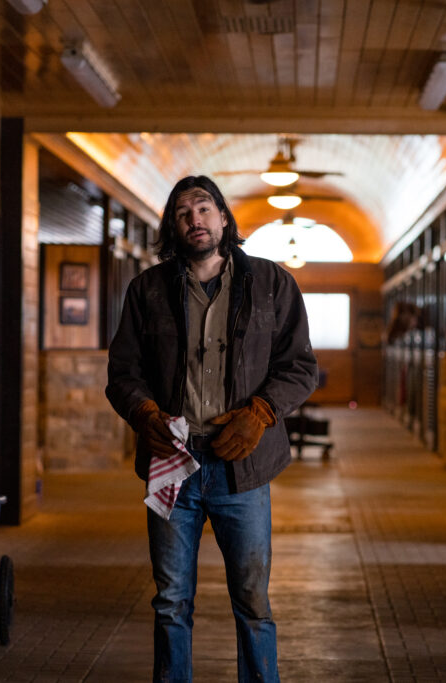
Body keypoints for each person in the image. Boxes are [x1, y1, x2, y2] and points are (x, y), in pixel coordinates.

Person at [106, 175, 318, 682]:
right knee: (171, 599)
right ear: (172, 227)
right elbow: (123, 373)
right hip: (173, 464)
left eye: (204, 208)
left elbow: (300, 366)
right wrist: (144, 413)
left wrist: (261, 413)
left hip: (240, 466)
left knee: (251, 598)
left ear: (224, 218)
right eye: (183, 212)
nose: (194, 219)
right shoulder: (147, 290)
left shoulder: (272, 284)